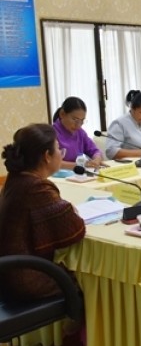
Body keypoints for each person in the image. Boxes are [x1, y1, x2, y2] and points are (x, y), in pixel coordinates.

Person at [0, 123, 85, 300]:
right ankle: (76, 326)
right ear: (47, 156)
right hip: (27, 277)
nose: (61, 153)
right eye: (59, 149)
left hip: (9, 272)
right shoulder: (37, 187)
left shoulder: (17, 179)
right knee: (88, 281)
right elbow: (74, 229)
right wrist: (69, 209)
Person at [52, 96, 105, 169]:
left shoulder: (80, 132)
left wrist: (97, 159)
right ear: (62, 114)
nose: (78, 125)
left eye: (82, 120)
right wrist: (83, 164)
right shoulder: (51, 134)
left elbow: (95, 151)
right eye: (75, 119)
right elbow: (52, 163)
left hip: (79, 174)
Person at [105, 90, 141, 160]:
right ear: (132, 108)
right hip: (128, 165)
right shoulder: (119, 123)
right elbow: (111, 151)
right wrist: (140, 152)